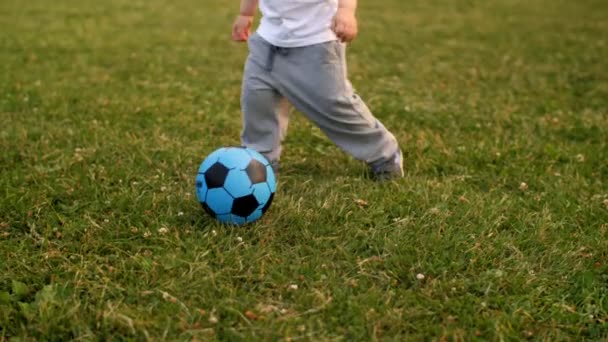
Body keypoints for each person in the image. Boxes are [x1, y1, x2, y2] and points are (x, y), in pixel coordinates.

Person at [232, 0, 403, 180]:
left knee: (333, 105)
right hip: (267, 41)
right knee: (258, 100)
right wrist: (246, 13)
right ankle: (260, 159)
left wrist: (345, 10)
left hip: (316, 42)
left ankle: (385, 153)